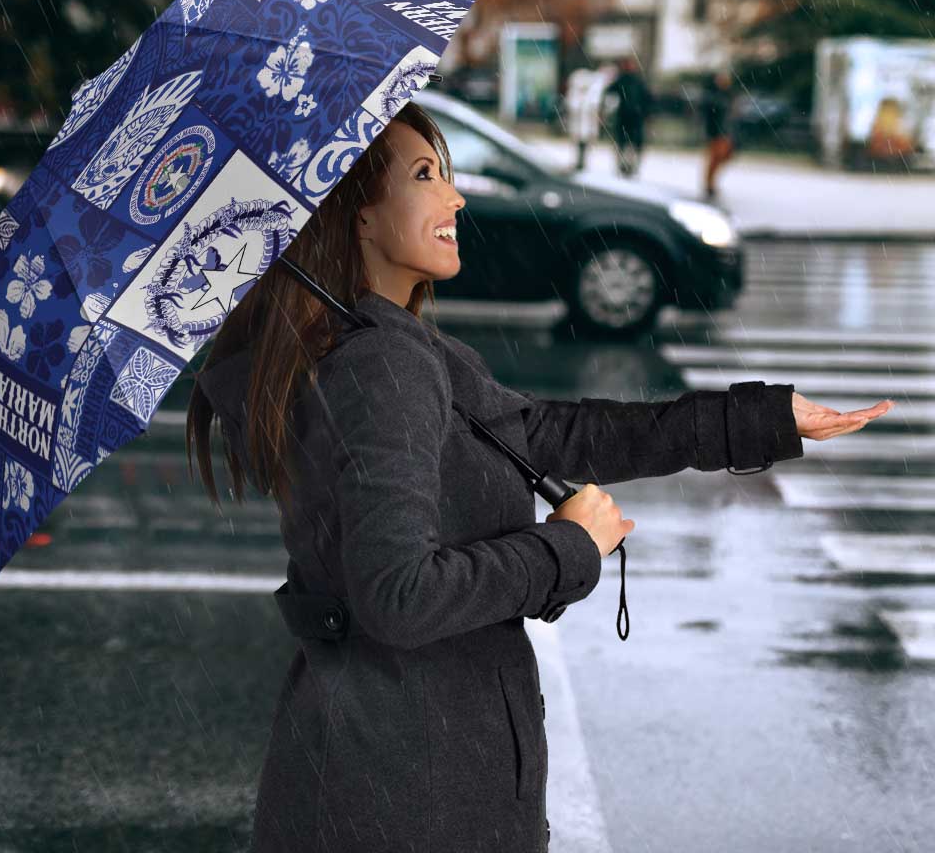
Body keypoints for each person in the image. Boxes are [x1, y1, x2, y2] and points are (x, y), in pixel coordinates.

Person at [188, 100, 891, 853]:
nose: (455, 197)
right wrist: (566, 548)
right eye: (425, 175)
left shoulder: (391, 348)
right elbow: (398, 597)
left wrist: (761, 419)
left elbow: (554, 434)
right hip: (407, 792)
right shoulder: (380, 365)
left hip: (391, 772)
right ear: (357, 215)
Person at [603, 55, 653, 178]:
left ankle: (630, 166)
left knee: (631, 144)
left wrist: (646, 113)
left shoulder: (636, 81)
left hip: (634, 117)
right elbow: (609, 93)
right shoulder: (623, 80)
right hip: (626, 117)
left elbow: (647, 99)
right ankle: (624, 166)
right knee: (624, 143)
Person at [701, 68, 737, 200]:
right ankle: (709, 184)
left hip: (725, 132)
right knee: (715, 158)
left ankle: (711, 183)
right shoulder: (713, 96)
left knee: (723, 157)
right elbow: (710, 115)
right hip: (716, 132)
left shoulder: (728, 95)